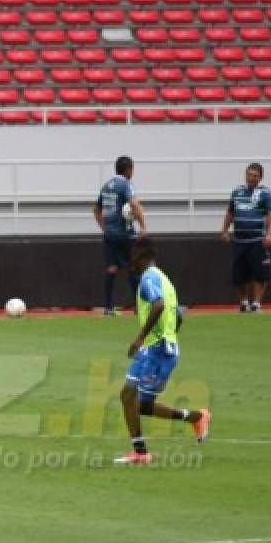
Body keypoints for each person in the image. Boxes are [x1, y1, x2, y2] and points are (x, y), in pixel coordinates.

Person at [115, 237, 210, 465]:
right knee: (128, 395)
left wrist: (141, 338)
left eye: (132, 257)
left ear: (139, 256)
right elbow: (178, 315)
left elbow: (158, 305)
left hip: (157, 349)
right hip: (154, 347)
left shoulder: (148, 279)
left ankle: (196, 417)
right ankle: (139, 451)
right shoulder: (165, 279)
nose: (131, 262)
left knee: (141, 405)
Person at [93, 156, 148, 315]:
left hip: (109, 235)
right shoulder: (125, 184)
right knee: (134, 269)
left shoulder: (106, 186)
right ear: (129, 170)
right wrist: (143, 226)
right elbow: (134, 204)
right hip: (125, 234)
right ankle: (139, 307)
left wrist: (105, 228)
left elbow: (96, 210)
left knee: (111, 269)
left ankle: (108, 308)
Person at [220, 162, 271, 313]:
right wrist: (225, 230)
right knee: (238, 274)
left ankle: (256, 303)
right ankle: (244, 302)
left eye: (255, 175)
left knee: (261, 273)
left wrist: (270, 233)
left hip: (257, 240)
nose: (251, 178)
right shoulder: (237, 192)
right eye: (249, 174)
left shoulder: (265, 193)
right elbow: (230, 212)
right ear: (245, 175)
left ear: (261, 178)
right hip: (239, 241)